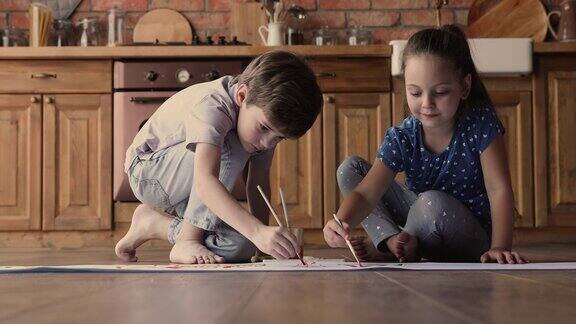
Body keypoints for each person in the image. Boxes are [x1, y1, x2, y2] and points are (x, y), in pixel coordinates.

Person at [323, 25, 527, 264]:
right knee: (350, 169)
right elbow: (367, 194)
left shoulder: (480, 123)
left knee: (431, 202)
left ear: (465, 86)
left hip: (470, 236)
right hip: (420, 219)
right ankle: (393, 241)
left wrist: (500, 246)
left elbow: (498, 188)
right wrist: (340, 221)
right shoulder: (403, 136)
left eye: (440, 92)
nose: (427, 103)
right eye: (416, 93)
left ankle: (400, 246)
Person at [115, 51, 323, 264]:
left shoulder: (263, 124)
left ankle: (153, 224)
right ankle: (187, 239)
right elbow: (205, 182)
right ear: (242, 96)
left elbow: (258, 182)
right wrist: (257, 231)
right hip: (148, 172)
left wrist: (263, 238)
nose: (267, 143)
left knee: (240, 245)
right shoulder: (214, 105)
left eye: (280, 138)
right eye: (264, 128)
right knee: (231, 145)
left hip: (190, 187)